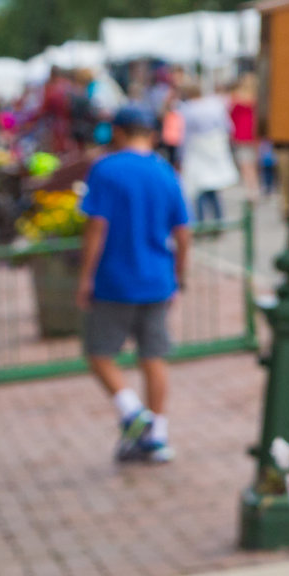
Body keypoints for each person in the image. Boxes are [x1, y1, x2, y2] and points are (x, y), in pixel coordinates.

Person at [77, 104, 192, 465]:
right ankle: (156, 434)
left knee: (99, 353)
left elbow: (97, 227)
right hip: (158, 278)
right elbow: (183, 233)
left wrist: (85, 277)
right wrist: (179, 275)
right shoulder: (165, 171)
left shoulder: (106, 169)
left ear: (119, 132)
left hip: (115, 279)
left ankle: (131, 411)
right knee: (153, 357)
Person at [174, 76, 239, 228]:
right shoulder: (214, 104)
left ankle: (202, 224)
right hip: (215, 149)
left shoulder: (187, 109)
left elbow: (185, 136)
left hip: (198, 151)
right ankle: (218, 220)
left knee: (199, 188)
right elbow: (227, 127)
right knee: (213, 187)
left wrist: (180, 157)